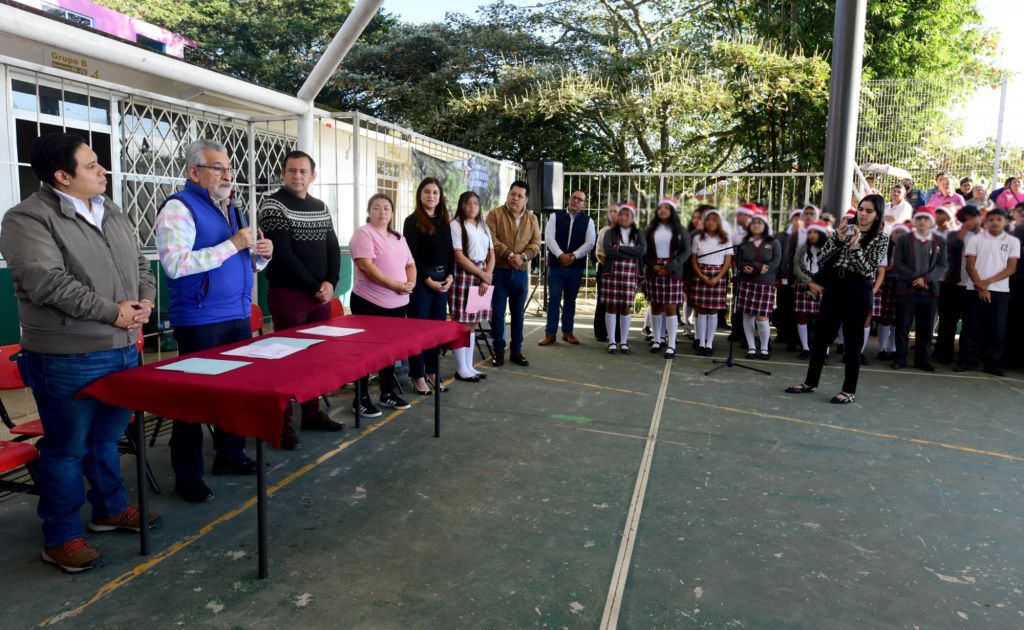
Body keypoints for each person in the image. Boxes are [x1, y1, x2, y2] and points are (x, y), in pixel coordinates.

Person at [0, 133, 159, 573]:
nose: (103, 171)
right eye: (92, 166)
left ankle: (109, 509)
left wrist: (143, 302)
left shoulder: (112, 211)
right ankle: (62, 536)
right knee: (67, 448)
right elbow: (46, 282)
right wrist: (113, 313)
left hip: (124, 348)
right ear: (62, 176)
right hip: (66, 356)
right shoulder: (27, 219)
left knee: (106, 439)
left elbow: (142, 264)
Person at [156, 139, 274, 503]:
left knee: (234, 391)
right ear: (195, 172)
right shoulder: (178, 207)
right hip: (201, 318)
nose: (227, 175)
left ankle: (230, 455)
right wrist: (235, 245)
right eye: (218, 168)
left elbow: (239, 261)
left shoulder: (230, 208)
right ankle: (187, 475)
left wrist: (261, 257)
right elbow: (176, 265)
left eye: (228, 168)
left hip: (236, 313)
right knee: (194, 399)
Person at [258, 150, 344, 451]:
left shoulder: (320, 207)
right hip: (289, 296)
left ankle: (311, 413)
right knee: (287, 361)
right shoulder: (272, 204)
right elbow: (282, 254)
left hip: (319, 297)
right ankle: (283, 425)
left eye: (303, 171)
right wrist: (314, 287)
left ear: (313, 175)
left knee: (315, 360)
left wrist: (331, 283)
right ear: (283, 173)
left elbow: (333, 248)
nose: (297, 176)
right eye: (291, 170)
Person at [786, 195, 889, 404]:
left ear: (877, 215)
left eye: (869, 211)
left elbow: (866, 268)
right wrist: (839, 240)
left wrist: (855, 245)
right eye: (861, 209)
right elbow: (822, 259)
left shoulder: (881, 238)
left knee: (852, 342)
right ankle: (810, 382)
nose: (863, 214)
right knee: (821, 338)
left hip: (858, 291)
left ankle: (848, 389)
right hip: (835, 288)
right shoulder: (841, 231)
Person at [349, 194, 416, 412]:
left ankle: (387, 393)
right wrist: (395, 285)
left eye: (387, 208)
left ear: (392, 213)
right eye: (376, 207)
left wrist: (410, 283)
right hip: (370, 303)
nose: (382, 211)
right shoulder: (363, 234)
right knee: (366, 352)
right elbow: (367, 267)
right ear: (369, 212)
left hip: (398, 304)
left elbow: (410, 264)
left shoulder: (398, 237)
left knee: (390, 351)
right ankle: (360, 398)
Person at [404, 178, 455, 394]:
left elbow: (451, 251)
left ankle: (433, 371)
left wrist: (451, 276)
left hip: (443, 280)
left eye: (435, 192)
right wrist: (428, 281)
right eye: (427, 192)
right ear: (420, 194)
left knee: (435, 331)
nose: (431, 196)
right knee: (419, 331)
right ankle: (417, 374)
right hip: (423, 283)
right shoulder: (412, 220)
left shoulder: (444, 221)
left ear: (440, 196)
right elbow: (411, 255)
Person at [955, 208, 1020, 376]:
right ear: (986, 221)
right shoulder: (975, 239)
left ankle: (992, 363)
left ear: (1005, 222)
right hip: (973, 290)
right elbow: (970, 265)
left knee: (997, 329)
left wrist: (987, 284)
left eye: (999, 219)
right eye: (992, 219)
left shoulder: (1013, 242)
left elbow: (1011, 268)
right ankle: (965, 360)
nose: (995, 222)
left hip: (1000, 292)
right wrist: (980, 285)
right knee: (970, 328)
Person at [487, 181, 542, 367]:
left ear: (526, 199)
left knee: (518, 313)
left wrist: (523, 257)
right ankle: (499, 350)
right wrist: (509, 254)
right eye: (513, 194)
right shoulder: (495, 214)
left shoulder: (532, 219)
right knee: (498, 313)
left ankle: (516, 351)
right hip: (499, 271)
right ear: (508, 194)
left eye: (520, 196)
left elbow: (536, 244)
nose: (515, 198)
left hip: (520, 273)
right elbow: (491, 239)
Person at [891, 207, 947, 372]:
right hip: (906, 290)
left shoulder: (940, 241)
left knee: (926, 328)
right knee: (902, 326)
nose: (922, 221)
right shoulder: (904, 239)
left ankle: (922, 360)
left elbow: (942, 265)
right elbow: (898, 263)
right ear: (914, 221)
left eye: (926, 218)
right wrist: (916, 278)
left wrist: (926, 279)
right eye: (919, 218)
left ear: (931, 221)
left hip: (929, 291)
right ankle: (900, 358)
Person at [449, 191, 495, 381]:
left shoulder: (484, 226)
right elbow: (458, 256)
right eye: (468, 203)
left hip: (482, 274)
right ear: (462, 205)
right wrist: (481, 274)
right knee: (461, 323)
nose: (472, 207)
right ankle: (461, 368)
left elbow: (492, 254)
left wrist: (486, 277)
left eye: (476, 203)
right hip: (464, 274)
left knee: (474, 322)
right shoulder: (456, 225)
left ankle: (469, 366)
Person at [540, 190, 596, 346]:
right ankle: (550, 334)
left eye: (580, 200)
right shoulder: (554, 217)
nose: (576, 201)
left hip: (575, 267)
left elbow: (590, 242)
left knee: (570, 301)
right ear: (568, 199)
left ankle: (568, 332)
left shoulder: (588, 221)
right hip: (556, 266)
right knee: (554, 299)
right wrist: (560, 255)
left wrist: (573, 256)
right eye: (574, 198)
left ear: (584, 204)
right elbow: (549, 238)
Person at [643, 197, 691, 359]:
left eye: (666, 208)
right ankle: (657, 340)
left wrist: (671, 266)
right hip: (654, 270)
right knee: (655, 306)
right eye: (660, 208)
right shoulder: (650, 229)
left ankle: (672, 344)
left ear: (672, 211)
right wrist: (653, 266)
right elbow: (645, 251)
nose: (662, 210)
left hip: (673, 271)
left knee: (670, 308)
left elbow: (686, 251)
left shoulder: (680, 230)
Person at [934, 205, 982, 363]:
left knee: (971, 323)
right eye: (967, 218)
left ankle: (967, 356)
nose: (971, 221)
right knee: (947, 321)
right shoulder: (953, 233)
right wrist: (963, 231)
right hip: (951, 284)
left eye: (973, 217)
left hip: (973, 285)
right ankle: (943, 354)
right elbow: (949, 249)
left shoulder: (984, 236)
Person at [734, 207, 782, 360]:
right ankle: (751, 348)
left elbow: (776, 261)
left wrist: (764, 268)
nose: (756, 225)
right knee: (747, 315)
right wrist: (743, 267)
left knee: (762, 317)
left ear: (765, 225)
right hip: (746, 282)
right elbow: (738, 260)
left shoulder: (773, 242)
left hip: (765, 283)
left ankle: (764, 347)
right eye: (753, 222)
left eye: (759, 223)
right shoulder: (744, 242)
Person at [601, 203, 646, 354]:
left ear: (632, 217)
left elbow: (641, 251)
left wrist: (620, 248)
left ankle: (624, 341)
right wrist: (630, 253)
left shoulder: (638, 233)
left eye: (627, 215)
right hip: (612, 274)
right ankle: (612, 341)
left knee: (625, 308)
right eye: (621, 214)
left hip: (629, 274)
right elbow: (608, 251)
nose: (623, 217)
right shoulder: (610, 232)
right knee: (611, 306)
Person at [690, 208, 732, 356]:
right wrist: (701, 275)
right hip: (701, 274)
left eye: (714, 220)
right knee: (701, 309)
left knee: (713, 310)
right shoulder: (697, 238)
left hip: (717, 275)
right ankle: (701, 342)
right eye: (708, 219)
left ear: (718, 222)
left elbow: (727, 261)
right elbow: (693, 259)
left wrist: (718, 277)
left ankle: (709, 343)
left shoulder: (725, 238)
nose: (711, 222)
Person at [792, 221, 829, 359]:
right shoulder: (802, 248)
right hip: (804, 282)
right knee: (802, 316)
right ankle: (806, 348)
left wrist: (819, 284)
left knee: (824, 319)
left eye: (815, 232)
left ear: (821, 233)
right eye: (810, 232)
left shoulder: (829, 248)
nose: (812, 235)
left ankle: (824, 351)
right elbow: (796, 268)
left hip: (824, 284)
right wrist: (809, 283)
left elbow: (830, 269)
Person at [877, 223, 911, 359]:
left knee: (899, 318)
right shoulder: (885, 246)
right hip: (887, 283)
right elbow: (879, 266)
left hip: (904, 283)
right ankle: (882, 349)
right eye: (897, 232)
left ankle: (894, 349)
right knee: (885, 317)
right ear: (892, 234)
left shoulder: (910, 249)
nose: (899, 235)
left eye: (903, 232)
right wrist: (888, 269)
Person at [594, 204, 619, 343]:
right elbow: (599, 253)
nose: (614, 214)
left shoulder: (627, 232)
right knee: (603, 301)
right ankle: (601, 332)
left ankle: (617, 333)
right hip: (605, 270)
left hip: (622, 272)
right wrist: (611, 267)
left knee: (619, 302)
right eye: (612, 212)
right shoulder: (604, 231)